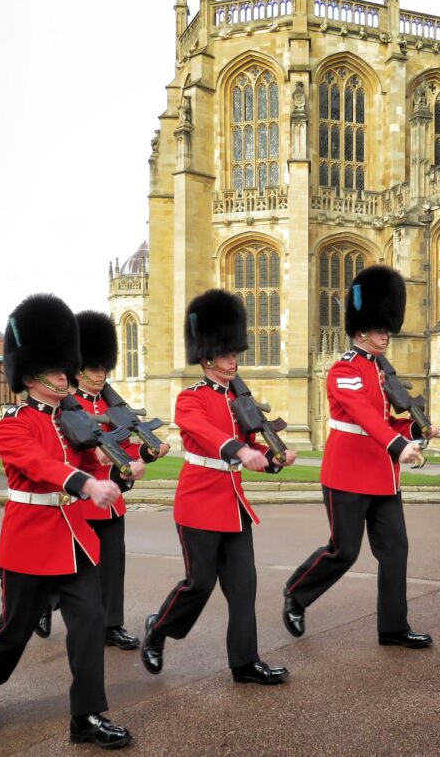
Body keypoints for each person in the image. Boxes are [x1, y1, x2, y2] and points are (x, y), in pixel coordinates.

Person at [0, 293, 132, 748]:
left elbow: (95, 463)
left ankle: (87, 717)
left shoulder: (69, 422)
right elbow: (42, 467)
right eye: (59, 370)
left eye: (67, 368)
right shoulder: (13, 425)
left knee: (89, 623)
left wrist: (119, 468)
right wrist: (86, 483)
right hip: (29, 544)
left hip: (74, 540)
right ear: (33, 375)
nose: (67, 376)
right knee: (13, 633)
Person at [141, 289, 296, 685]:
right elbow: (204, 434)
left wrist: (275, 458)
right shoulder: (189, 398)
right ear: (207, 357)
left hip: (233, 504)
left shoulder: (240, 401)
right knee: (199, 584)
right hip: (199, 502)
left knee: (244, 587)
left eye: (235, 353)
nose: (234, 360)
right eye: (227, 354)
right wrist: (241, 450)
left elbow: (254, 448)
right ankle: (159, 630)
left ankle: (245, 663)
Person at [282, 265, 440, 648]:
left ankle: (393, 627)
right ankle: (297, 594)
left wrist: (416, 431)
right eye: (379, 329)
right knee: (344, 551)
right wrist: (399, 446)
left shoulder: (383, 374)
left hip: (383, 477)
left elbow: (387, 421)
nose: (386, 335)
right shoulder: (344, 370)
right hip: (347, 474)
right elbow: (365, 418)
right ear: (360, 332)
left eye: (387, 329)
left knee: (395, 550)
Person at [72, 310, 170, 650]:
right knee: (74, 571)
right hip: (83, 503)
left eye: (103, 368)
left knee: (113, 568)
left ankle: (111, 625)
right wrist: (106, 462)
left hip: (112, 503)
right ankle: (44, 604)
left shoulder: (112, 407)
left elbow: (127, 448)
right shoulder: (70, 409)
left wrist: (148, 453)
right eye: (94, 368)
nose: (100, 375)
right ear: (78, 369)